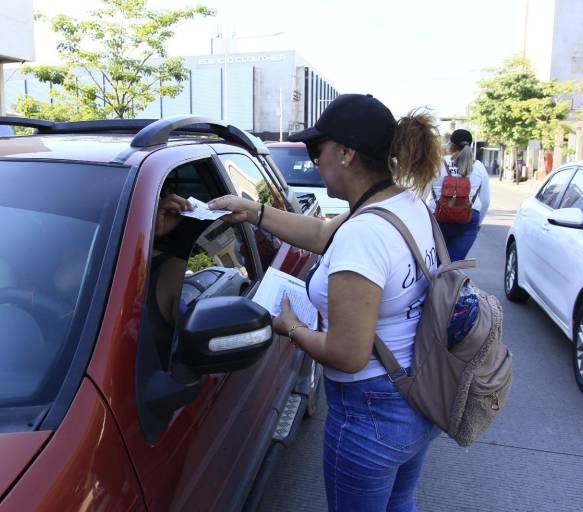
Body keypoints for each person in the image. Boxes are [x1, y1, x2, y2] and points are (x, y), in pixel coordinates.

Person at [208, 93, 442, 511]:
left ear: (347, 154)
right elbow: (321, 235)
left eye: (318, 150)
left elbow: (346, 355)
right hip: (418, 392)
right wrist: (253, 211)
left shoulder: (364, 234)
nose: (315, 160)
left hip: (370, 412)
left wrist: (290, 327)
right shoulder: (401, 203)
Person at [428, 129, 491, 261]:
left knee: (433, 265)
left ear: (450, 145)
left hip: (438, 219)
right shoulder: (478, 166)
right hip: (468, 220)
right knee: (452, 266)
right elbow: (485, 200)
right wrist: (477, 223)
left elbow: (422, 194)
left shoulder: (437, 164)